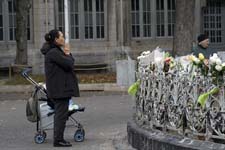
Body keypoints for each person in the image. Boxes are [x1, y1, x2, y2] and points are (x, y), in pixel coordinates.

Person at [40, 29, 80, 147]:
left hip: (60, 88)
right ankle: (58, 140)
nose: (64, 38)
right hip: (59, 89)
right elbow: (69, 64)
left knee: (61, 114)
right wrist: (68, 53)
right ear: (56, 40)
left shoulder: (55, 51)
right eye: (61, 36)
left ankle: (59, 139)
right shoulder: (54, 53)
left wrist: (67, 55)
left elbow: (68, 64)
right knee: (60, 115)